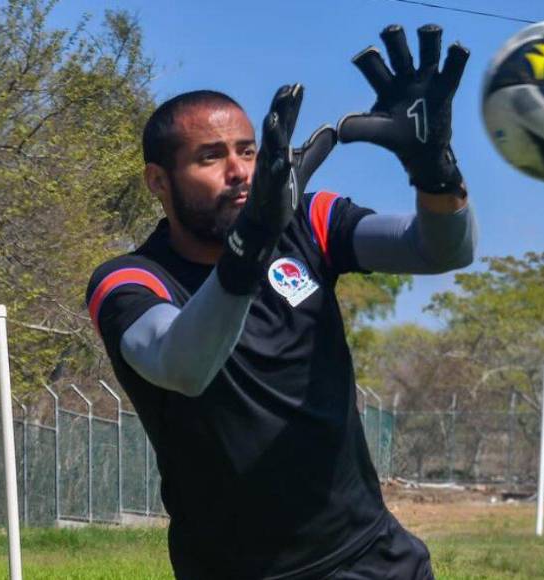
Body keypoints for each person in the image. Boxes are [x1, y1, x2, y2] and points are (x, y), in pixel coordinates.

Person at [86, 24, 475, 579]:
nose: (239, 172)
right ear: (158, 181)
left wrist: (435, 171)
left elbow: (439, 250)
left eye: (247, 151)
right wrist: (252, 243)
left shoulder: (309, 222)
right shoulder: (132, 280)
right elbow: (182, 364)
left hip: (372, 558)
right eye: (210, 157)